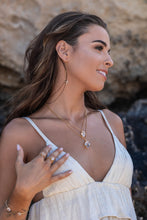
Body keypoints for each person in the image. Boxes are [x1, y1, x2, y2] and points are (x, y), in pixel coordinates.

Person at [0, 11, 137, 220]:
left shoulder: (112, 123)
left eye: (109, 51)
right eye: (99, 48)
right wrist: (22, 194)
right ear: (64, 50)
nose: (110, 61)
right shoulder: (22, 134)